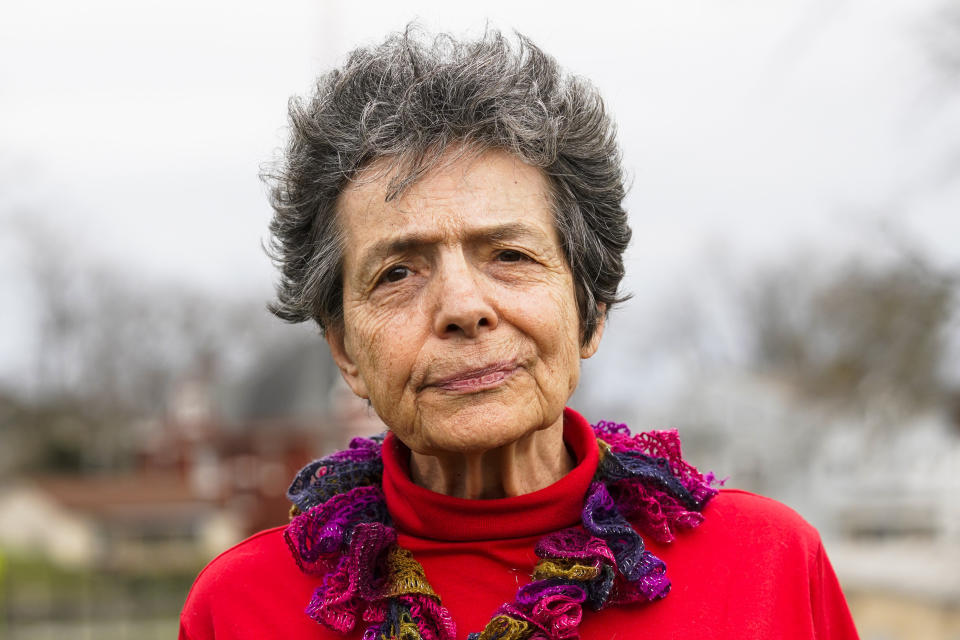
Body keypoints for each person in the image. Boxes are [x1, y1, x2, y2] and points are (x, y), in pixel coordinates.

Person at [179, 28, 859, 640]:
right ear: (344, 351)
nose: (463, 307)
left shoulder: (767, 568)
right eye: (396, 273)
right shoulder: (241, 610)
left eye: (509, 255)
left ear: (589, 310)